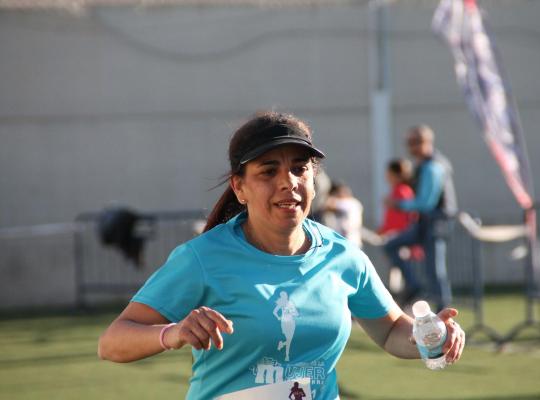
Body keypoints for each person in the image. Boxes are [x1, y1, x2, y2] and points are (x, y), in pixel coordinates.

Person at [97, 112, 464, 399]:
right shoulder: (202, 258)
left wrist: (430, 337)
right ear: (239, 187)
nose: (288, 181)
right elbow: (113, 342)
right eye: (268, 171)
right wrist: (174, 333)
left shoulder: (341, 256)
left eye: (299, 169)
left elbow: (390, 332)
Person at [383, 125, 458, 312]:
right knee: (391, 245)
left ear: (425, 142)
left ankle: (444, 310)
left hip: (437, 223)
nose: (410, 148)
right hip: (425, 223)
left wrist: (398, 204)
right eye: (408, 143)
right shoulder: (424, 165)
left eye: (413, 143)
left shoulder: (433, 166)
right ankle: (414, 285)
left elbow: (426, 203)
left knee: (435, 270)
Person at [378, 159, 424, 295]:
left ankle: (412, 287)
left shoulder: (403, 191)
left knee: (400, 269)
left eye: (388, 173)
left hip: (400, 237)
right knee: (395, 271)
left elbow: (408, 216)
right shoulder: (397, 190)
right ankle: (404, 293)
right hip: (394, 235)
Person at [322, 181, 364, 248]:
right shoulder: (354, 202)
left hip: (349, 241)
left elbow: (329, 204)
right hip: (349, 241)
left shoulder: (350, 203)